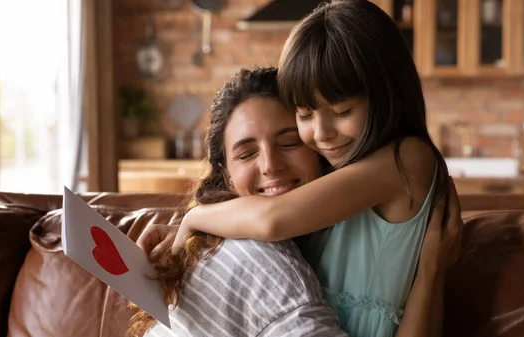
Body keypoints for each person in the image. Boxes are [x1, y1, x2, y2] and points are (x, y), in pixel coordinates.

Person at [171, 1, 451, 337]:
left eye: (342, 110)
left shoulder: (407, 160)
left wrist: (193, 217)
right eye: (304, 115)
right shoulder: (338, 177)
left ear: (386, 95)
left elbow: (271, 218)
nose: (320, 134)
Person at [128, 67, 462, 337]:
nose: (270, 165)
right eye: (246, 153)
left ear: (320, 154)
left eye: (289, 144)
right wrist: (193, 218)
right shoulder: (262, 263)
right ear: (226, 176)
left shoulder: (320, 233)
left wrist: (432, 272)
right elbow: (270, 219)